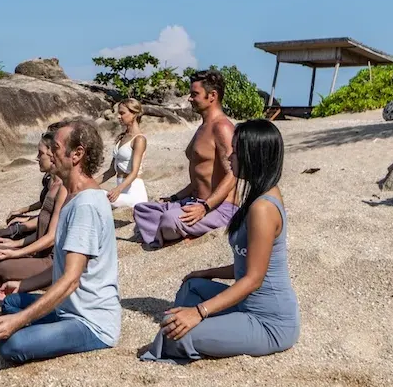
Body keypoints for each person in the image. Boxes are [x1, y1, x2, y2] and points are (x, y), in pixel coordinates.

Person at [140, 119, 299, 364]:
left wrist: (199, 312)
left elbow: (253, 278)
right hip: (245, 304)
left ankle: (189, 331)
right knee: (192, 285)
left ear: (252, 155)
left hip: (268, 321)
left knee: (173, 336)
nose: (229, 155)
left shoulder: (263, 208)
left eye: (236, 150)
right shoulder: (257, 195)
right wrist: (208, 272)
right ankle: (195, 325)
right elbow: (248, 263)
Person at [0, 118, 120, 364]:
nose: (50, 152)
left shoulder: (86, 205)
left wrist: (20, 320)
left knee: (10, 345)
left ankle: (45, 327)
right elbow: (61, 269)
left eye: (55, 148)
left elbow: (70, 280)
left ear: (77, 154)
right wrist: (22, 284)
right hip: (67, 307)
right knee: (13, 301)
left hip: (89, 321)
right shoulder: (72, 197)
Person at [133, 70, 238, 248]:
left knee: (168, 220)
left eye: (194, 94)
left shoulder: (222, 128)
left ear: (212, 95)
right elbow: (201, 176)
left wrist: (205, 207)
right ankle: (176, 228)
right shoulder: (203, 126)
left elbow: (233, 174)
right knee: (142, 210)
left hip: (219, 207)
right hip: (192, 201)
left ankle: (179, 231)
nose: (190, 98)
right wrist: (174, 197)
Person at [0, 132, 68, 285]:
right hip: (41, 251)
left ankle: (43, 279)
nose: (38, 158)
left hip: (52, 260)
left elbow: (51, 237)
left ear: (52, 154)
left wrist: (15, 251)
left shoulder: (63, 188)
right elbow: (43, 225)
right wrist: (12, 246)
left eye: (41, 153)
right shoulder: (53, 183)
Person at [0, 122, 65, 242]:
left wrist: (19, 233)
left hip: (46, 237)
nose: (37, 158)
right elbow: (45, 212)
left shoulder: (61, 185)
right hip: (42, 226)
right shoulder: (51, 179)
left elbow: (50, 227)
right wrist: (23, 211)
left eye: (40, 153)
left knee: (4, 236)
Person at [100, 99, 148, 209]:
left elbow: (134, 172)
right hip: (122, 190)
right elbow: (111, 171)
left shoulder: (139, 139)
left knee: (96, 196)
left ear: (134, 114)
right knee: (88, 191)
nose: (118, 117)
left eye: (122, 113)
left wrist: (118, 189)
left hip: (134, 193)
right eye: (118, 113)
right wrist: (87, 183)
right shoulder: (122, 138)